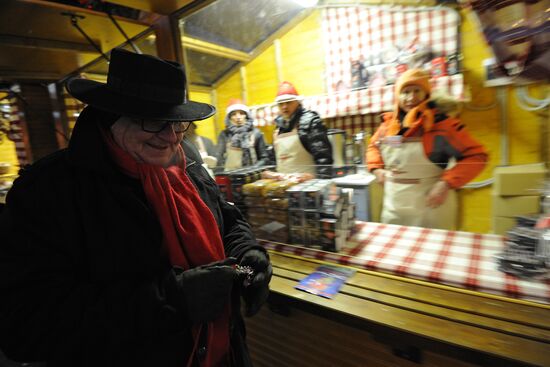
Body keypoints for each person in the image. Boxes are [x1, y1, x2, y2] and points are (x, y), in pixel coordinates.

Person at [0, 48, 272, 367]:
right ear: (111, 115)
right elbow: (24, 326)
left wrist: (247, 254)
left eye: (178, 122)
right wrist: (172, 301)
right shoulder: (49, 192)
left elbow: (227, 221)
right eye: (155, 120)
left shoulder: (188, 162)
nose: (171, 136)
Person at [366, 69, 488, 230]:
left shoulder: (443, 125)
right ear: (398, 96)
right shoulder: (387, 127)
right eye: (405, 92)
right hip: (394, 208)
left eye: (417, 91)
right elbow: (374, 147)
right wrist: (376, 169)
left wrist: (446, 184)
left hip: (431, 207)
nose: (411, 97)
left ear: (426, 94)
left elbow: (476, 156)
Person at [272, 81, 333, 178]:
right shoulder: (279, 126)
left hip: (307, 188)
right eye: (280, 103)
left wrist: (321, 184)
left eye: (288, 102)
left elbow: (323, 158)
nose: (284, 106)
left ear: (298, 102)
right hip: (283, 186)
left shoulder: (310, 122)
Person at [215, 99, 268, 171]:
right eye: (234, 114)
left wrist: (253, 169)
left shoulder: (256, 133)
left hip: (252, 174)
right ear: (229, 117)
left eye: (241, 113)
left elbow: (264, 158)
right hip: (231, 175)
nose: (238, 117)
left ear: (247, 115)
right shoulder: (224, 134)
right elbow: (219, 159)